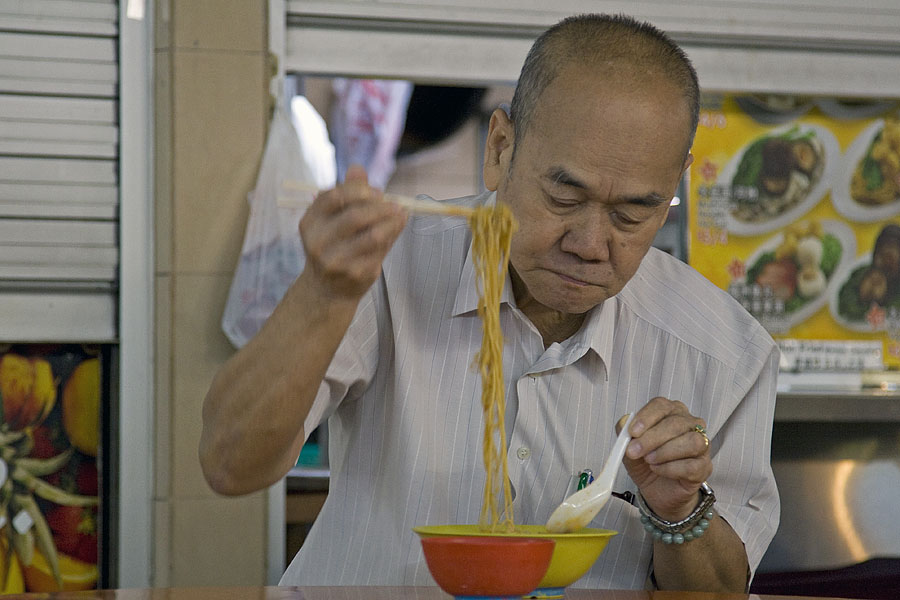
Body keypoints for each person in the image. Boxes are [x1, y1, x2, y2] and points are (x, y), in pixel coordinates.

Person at [200, 13, 780, 593]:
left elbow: (720, 592)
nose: (590, 245)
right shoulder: (387, 267)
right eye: (563, 197)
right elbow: (229, 464)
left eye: (632, 215)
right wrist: (321, 297)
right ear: (501, 148)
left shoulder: (724, 352)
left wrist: (680, 509)